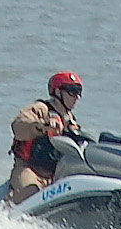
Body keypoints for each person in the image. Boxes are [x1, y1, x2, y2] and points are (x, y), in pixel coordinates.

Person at [6, 69, 85, 203]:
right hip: (30, 170)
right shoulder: (42, 109)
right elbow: (18, 126)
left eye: (79, 91)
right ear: (58, 92)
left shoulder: (71, 121)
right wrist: (43, 125)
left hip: (56, 175)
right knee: (30, 194)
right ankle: (6, 215)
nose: (77, 97)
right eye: (72, 91)